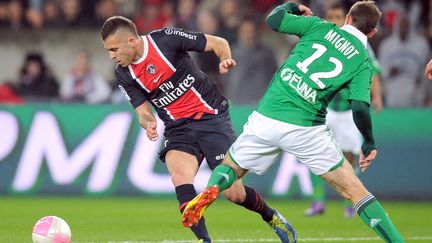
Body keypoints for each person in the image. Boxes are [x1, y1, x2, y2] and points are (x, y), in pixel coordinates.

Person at [182, 2, 405, 242]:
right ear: (372, 33)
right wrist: (369, 142)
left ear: (348, 18)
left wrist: (293, 6)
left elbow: (273, 20)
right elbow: (360, 106)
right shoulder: (362, 59)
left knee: (231, 167)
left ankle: (211, 189)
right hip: (306, 126)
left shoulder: (319, 26)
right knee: (354, 190)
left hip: (268, 115)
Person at [101, 16, 295, 243]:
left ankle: (270, 216)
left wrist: (225, 59)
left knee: (235, 194)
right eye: (108, 50)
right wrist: (148, 122)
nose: (111, 56)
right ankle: (204, 240)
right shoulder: (123, 73)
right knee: (180, 177)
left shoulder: (165, 40)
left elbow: (218, 43)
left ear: (132, 41)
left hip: (210, 116)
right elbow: (142, 110)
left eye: (114, 49)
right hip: (177, 127)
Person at [304, 3, 384, 218]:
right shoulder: (326, 39)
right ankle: (318, 202)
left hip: (348, 111)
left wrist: (376, 96)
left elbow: (373, 71)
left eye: (337, 16)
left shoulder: (360, 44)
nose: (333, 20)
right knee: (314, 153)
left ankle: (352, 203)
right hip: (326, 109)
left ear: (346, 18)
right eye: (329, 16)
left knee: (349, 157)